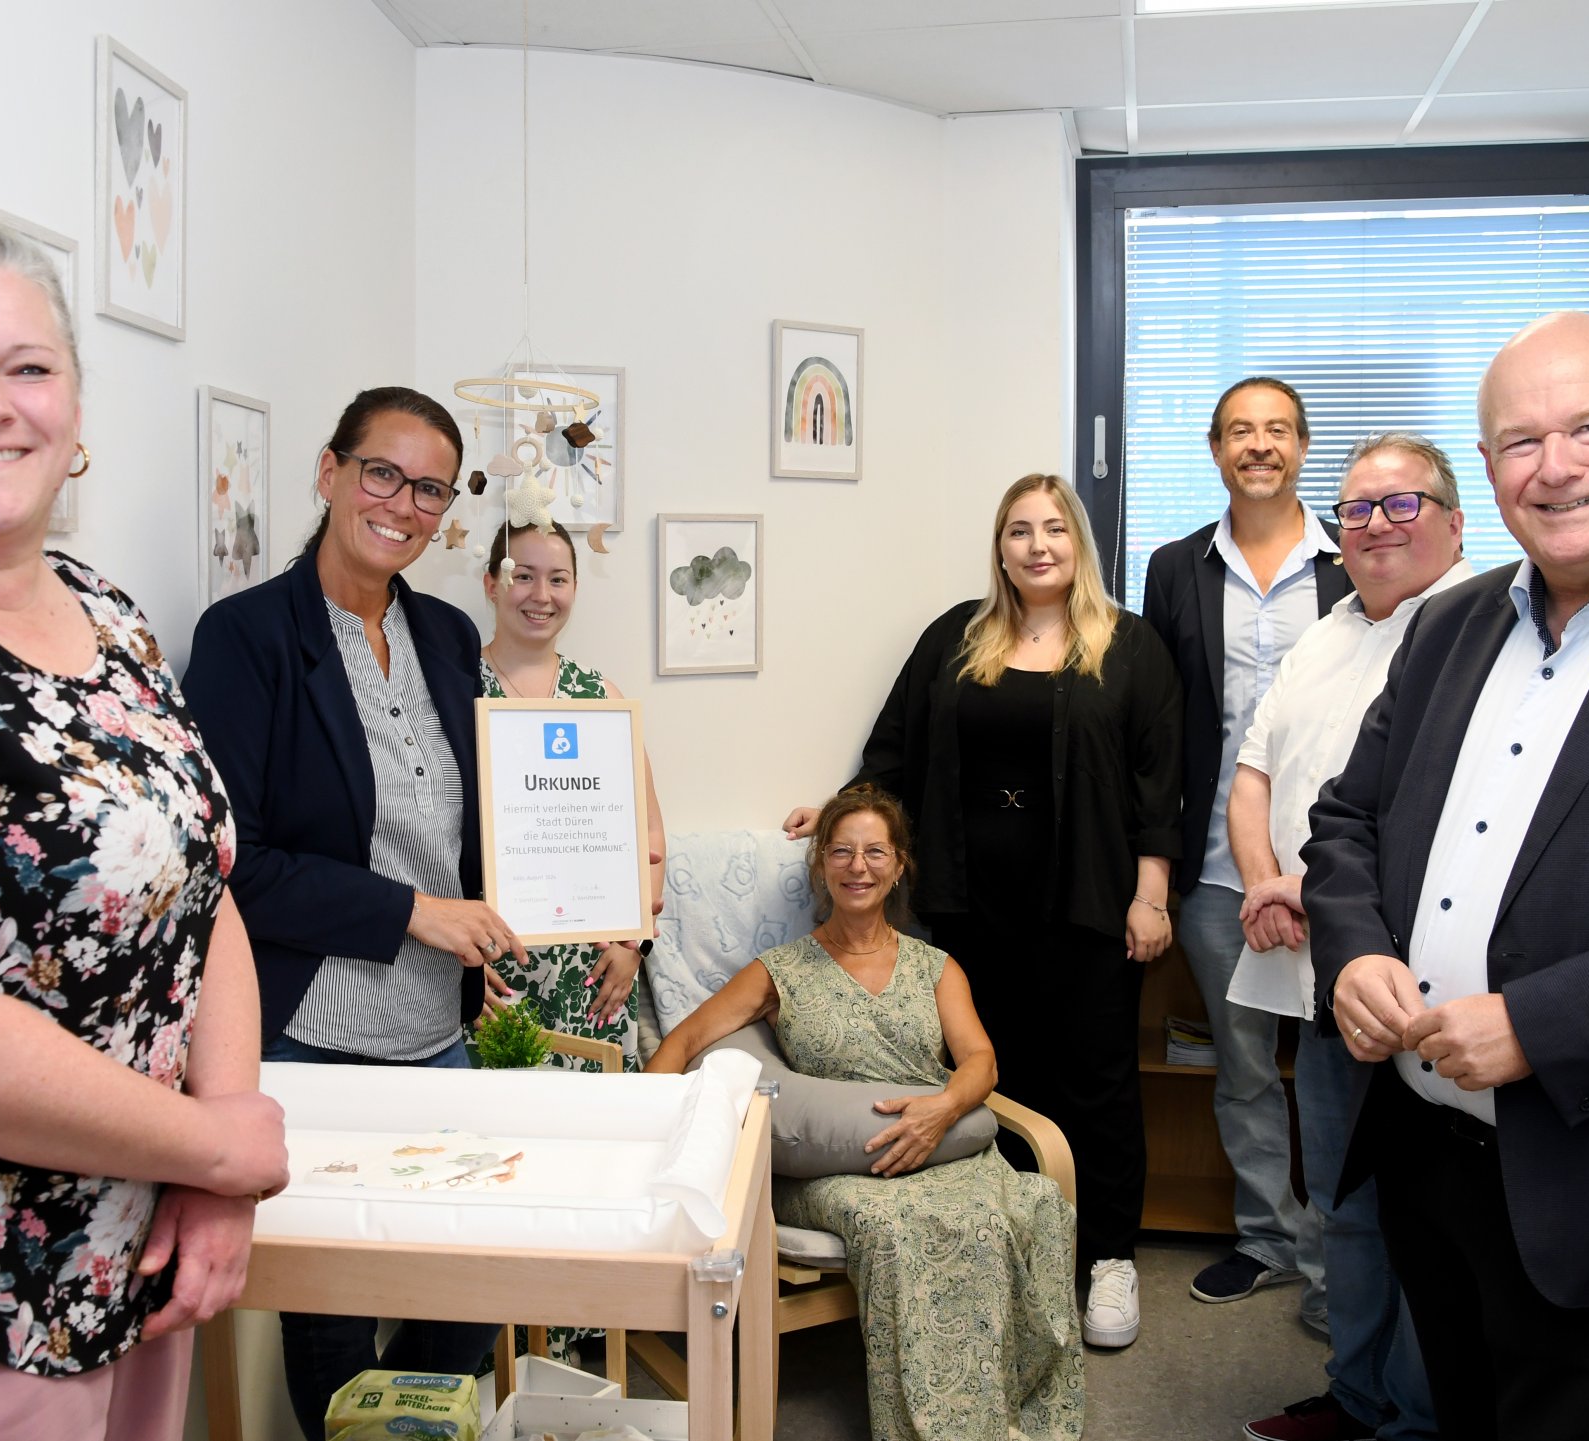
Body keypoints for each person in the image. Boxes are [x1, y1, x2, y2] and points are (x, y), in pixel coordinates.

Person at [0, 211, 286, 1438]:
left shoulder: (110, 617)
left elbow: (202, 890)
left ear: (73, 404)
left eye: (27, 367)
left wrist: (217, 1153)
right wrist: (219, 1146)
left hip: (129, 1264)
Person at [1302, 312, 1589, 1441]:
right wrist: (1354, 951)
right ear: (1489, 468)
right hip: (1427, 1153)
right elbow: (1348, 818)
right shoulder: (1450, 625)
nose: (1555, 468)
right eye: (1518, 441)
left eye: (1587, 426)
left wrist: (1539, 1025)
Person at [784, 472, 1182, 1349]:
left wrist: (1151, 895)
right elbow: (891, 746)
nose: (1037, 545)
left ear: (1079, 542)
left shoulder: (1130, 646)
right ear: (999, 545)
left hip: (1087, 900)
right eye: (1018, 531)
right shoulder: (956, 637)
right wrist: (842, 809)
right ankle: (1016, 1255)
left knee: (1098, 1082)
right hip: (972, 904)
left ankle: (1108, 1261)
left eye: (1053, 529)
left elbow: (1161, 784)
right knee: (994, 1082)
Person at [181, 386, 513, 1433]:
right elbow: (238, 864)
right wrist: (419, 912)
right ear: (329, 472)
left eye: (430, 489)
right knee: (330, 1328)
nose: (403, 504)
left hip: (434, 1028)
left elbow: (471, 823)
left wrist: (501, 914)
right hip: (309, 1035)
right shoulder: (247, 639)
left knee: (467, 1292)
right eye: (383, 473)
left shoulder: (452, 635)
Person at [652, 786, 1084, 1441]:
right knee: (900, 1222)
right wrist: (645, 1130)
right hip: (838, 1169)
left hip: (941, 1143)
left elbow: (980, 1062)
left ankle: (992, 1412)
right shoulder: (781, 971)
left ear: (900, 864)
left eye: (875, 851)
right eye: (843, 851)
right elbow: (682, 1043)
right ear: (821, 865)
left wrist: (941, 1111)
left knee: (1019, 1204)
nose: (860, 866)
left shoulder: (936, 967)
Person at [1226, 433, 1468, 1441]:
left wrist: (1305, 885)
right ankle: (1358, 1395)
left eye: (1401, 505)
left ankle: (1414, 1420)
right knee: (1344, 1203)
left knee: (1421, 1216)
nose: (1374, 524)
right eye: (1359, 508)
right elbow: (1256, 773)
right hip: (1315, 974)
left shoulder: (1475, 632)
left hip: (1416, 982)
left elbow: (1441, 812)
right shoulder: (1327, 634)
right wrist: (1264, 886)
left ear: (1455, 521)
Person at [1141, 377, 1348, 1319]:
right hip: (1220, 876)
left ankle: (1348, 1268)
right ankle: (1271, 1239)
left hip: (1347, 876)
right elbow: (1158, 720)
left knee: (1350, 1078)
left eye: (1275, 430)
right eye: (1238, 431)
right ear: (1214, 449)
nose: (1257, 445)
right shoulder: (1176, 567)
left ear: (1303, 446)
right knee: (1246, 1068)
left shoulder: (1355, 564)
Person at [476, 518, 665, 1071]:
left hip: (592, 972)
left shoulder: (600, 696)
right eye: (523, 576)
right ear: (491, 583)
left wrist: (633, 946)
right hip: (486, 969)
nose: (541, 595)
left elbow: (648, 831)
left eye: (558, 579)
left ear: (576, 589)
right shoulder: (453, 688)